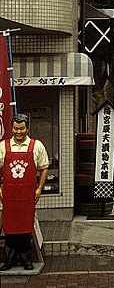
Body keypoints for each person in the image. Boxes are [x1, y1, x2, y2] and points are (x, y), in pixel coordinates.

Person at [0, 113, 49, 271]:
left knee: (25, 228)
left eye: (21, 128)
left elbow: (44, 168)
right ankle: (10, 260)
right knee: (9, 228)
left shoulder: (36, 146)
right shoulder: (3, 146)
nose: (18, 132)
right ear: (12, 128)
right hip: (9, 196)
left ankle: (26, 259)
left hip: (27, 195)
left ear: (27, 128)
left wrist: (39, 188)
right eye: (15, 128)